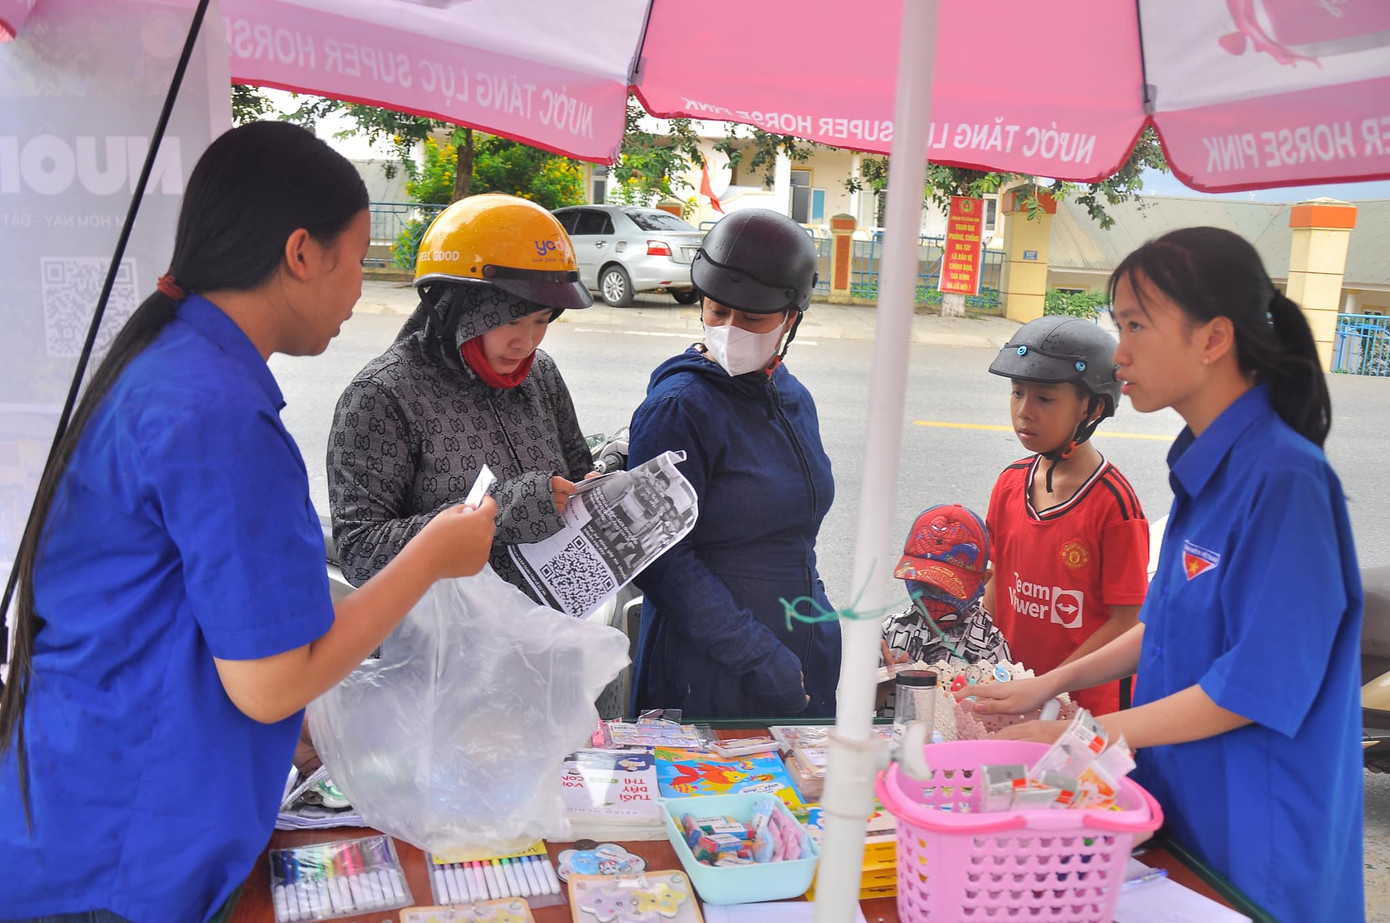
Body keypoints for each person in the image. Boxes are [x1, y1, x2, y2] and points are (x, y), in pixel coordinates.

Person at [0, 122, 497, 923]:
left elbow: (219, 618)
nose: (360, 290)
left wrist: (301, 729)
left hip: (84, 807)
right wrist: (432, 554)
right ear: (301, 253)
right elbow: (268, 682)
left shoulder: (176, 370)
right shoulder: (216, 411)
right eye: (359, 254)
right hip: (123, 855)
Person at [966, 227, 1364, 922]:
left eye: (1136, 325)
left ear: (1213, 338)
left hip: (1253, 829)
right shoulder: (1207, 467)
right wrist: (1051, 683)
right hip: (1179, 799)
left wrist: (1086, 736)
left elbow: (1256, 685)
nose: (1118, 353)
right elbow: (1169, 624)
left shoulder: (1286, 479)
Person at [626, 209, 840, 719]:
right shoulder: (678, 406)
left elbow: (795, 537)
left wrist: (823, 622)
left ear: (791, 318)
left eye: (753, 318)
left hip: (799, 650)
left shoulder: (792, 396)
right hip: (710, 668)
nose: (730, 330)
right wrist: (758, 657)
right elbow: (661, 561)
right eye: (718, 311)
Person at [327, 194, 595, 598]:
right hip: (442, 649)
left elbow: (576, 477)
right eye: (511, 320)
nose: (526, 342)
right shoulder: (381, 396)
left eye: (541, 321)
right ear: (456, 309)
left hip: (548, 633)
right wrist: (499, 513)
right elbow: (361, 554)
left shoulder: (542, 376)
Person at [982, 316, 1149, 715]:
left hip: (1087, 707)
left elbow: (1127, 621)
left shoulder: (1115, 505)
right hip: (1016, 691)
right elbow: (996, 581)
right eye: (1017, 393)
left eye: (1045, 399)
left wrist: (1049, 685)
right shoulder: (1009, 484)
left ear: (1091, 407)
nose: (1024, 412)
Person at [878, 504, 1012, 717]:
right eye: (925, 585)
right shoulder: (891, 631)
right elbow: (858, 707)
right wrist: (882, 687)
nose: (933, 596)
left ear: (983, 581)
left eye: (949, 587)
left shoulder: (991, 647)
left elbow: (998, 716)